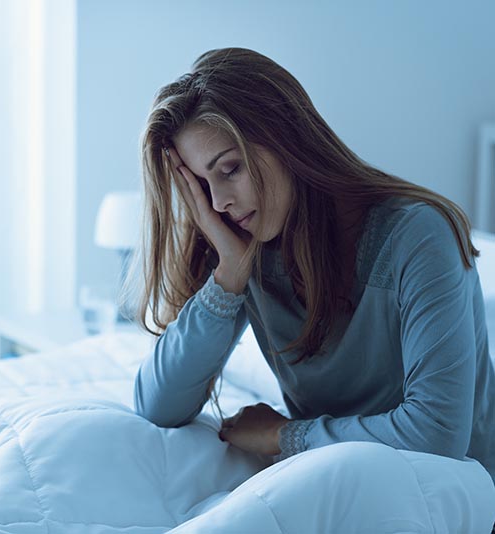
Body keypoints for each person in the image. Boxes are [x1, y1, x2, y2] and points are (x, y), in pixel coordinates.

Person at [126, 47, 495, 528]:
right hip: (338, 491)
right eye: (201, 185)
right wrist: (228, 279)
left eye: (230, 168)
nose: (219, 202)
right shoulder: (247, 245)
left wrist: (285, 435)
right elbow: (158, 405)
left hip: (457, 502)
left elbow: (437, 435)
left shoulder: (418, 234)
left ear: (286, 138)